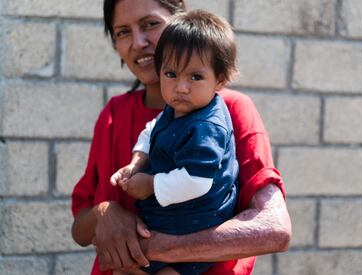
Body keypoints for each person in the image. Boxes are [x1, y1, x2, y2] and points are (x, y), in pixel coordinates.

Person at [71, 0, 292, 274]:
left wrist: (154, 249)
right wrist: (104, 214)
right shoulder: (114, 114)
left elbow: (274, 229)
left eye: (150, 24)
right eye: (122, 32)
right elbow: (80, 229)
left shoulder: (230, 111)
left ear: (179, 23)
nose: (138, 42)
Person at [110, 10, 239, 274]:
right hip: (172, 218)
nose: (181, 87)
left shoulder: (206, 125)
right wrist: (137, 161)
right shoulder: (178, 108)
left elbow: (196, 180)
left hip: (196, 227)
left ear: (220, 80)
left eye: (195, 77)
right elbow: (151, 130)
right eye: (171, 74)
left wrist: (150, 184)